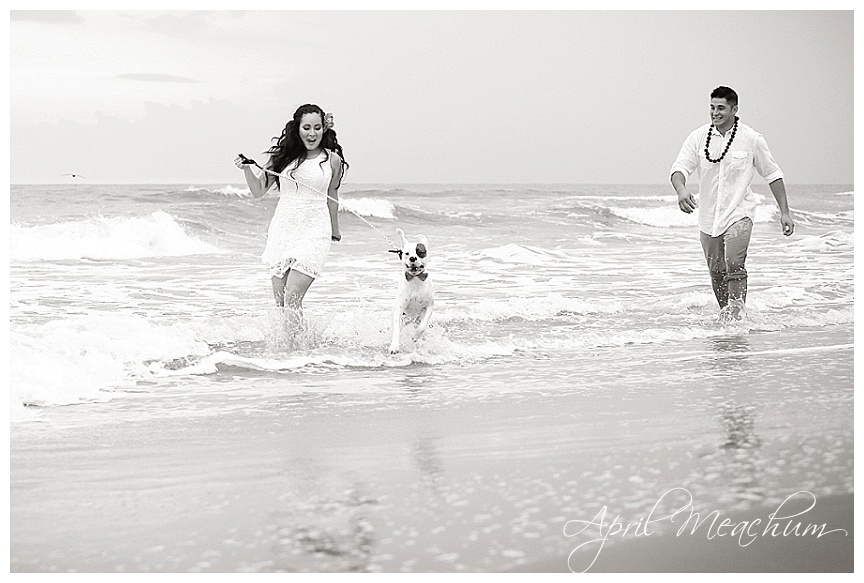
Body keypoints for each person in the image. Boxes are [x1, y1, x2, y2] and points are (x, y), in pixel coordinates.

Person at [670, 86, 795, 320]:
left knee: (734, 263)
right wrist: (681, 190)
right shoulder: (698, 137)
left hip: (740, 212)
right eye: (712, 107)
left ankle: (737, 318)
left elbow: (772, 174)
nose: (715, 113)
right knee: (717, 271)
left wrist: (784, 212)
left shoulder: (751, 139)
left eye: (721, 108)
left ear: (734, 109)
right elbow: (679, 168)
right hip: (708, 218)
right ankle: (726, 317)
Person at [235, 103, 348, 321]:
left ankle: (298, 351)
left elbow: (332, 196)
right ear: (297, 128)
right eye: (307, 127)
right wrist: (246, 168)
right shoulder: (282, 157)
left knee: (293, 296)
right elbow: (258, 190)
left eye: (317, 127)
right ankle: (293, 351)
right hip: (284, 229)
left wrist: (335, 229)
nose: (312, 133)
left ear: (324, 128)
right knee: (281, 303)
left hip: (315, 230)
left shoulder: (332, 160)